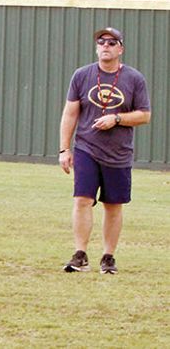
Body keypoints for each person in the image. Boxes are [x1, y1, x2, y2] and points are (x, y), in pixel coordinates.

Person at [59, 27, 150, 274]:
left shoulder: (134, 78)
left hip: (119, 152)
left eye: (112, 42)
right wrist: (64, 149)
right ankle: (80, 255)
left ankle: (108, 257)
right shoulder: (81, 75)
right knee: (82, 200)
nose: (106, 46)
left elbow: (145, 115)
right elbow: (70, 113)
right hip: (87, 147)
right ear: (96, 47)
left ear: (120, 49)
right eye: (101, 42)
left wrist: (116, 119)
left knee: (113, 205)